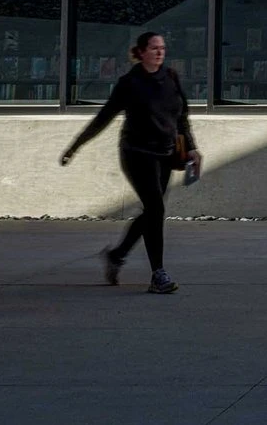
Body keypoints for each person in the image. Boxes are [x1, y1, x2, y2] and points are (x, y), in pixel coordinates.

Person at [61, 30, 201, 294]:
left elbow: (182, 117)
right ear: (141, 52)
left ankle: (116, 256)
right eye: (154, 48)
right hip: (137, 154)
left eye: (162, 48)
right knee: (156, 209)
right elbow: (104, 117)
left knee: (152, 211)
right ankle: (158, 274)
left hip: (165, 154)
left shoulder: (171, 78)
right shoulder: (130, 83)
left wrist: (191, 148)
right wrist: (75, 146)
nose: (160, 52)